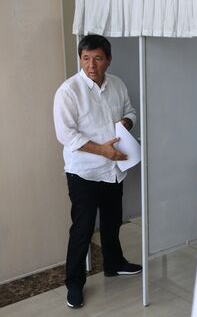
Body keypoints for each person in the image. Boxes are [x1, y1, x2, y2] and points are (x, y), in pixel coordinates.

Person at [53, 34, 142, 309]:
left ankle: (114, 264)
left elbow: (131, 112)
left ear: (108, 60)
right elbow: (66, 134)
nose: (91, 65)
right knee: (82, 228)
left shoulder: (117, 85)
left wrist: (126, 122)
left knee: (112, 221)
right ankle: (75, 284)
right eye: (86, 58)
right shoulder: (69, 91)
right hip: (84, 173)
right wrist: (102, 150)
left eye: (98, 58)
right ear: (81, 59)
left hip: (114, 168)